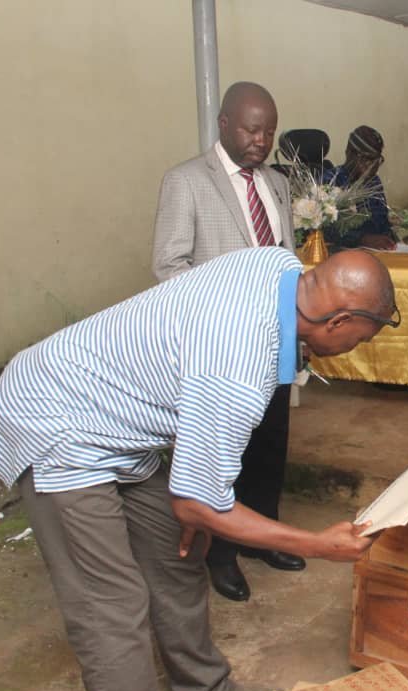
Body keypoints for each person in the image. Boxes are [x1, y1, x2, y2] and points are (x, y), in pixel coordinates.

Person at [0, 247, 398, 691]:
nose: (354, 349)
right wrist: (317, 544)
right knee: (112, 605)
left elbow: (191, 390)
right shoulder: (238, 365)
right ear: (338, 321)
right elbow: (196, 500)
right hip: (52, 421)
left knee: (175, 555)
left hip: (110, 414)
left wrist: (202, 493)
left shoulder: (277, 264)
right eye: (360, 339)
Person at [152, 81, 305, 604]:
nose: (261, 140)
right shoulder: (187, 181)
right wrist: (228, 307)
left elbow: (284, 258)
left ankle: (264, 538)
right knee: (224, 452)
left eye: (269, 130)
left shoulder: (277, 183)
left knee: (270, 443)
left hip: (275, 340)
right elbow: (169, 266)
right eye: (251, 128)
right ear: (223, 124)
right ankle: (220, 555)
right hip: (221, 350)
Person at [322, 126, 397, 251]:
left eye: (377, 160)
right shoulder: (330, 182)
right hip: (344, 256)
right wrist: (363, 239)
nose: (373, 166)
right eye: (367, 159)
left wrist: (389, 238)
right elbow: (326, 232)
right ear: (349, 153)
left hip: (380, 253)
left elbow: (382, 220)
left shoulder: (373, 182)